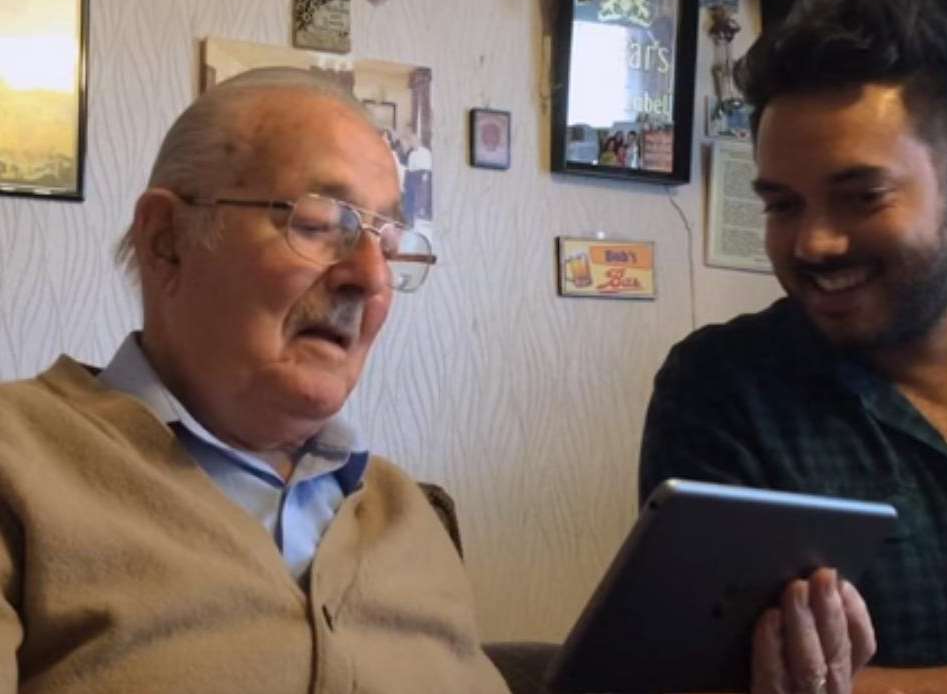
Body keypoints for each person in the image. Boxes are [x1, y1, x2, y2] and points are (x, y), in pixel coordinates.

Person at [0, 67, 868, 694]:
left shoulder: (403, 511)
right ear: (165, 241)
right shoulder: (24, 460)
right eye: (324, 222)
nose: (371, 280)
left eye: (390, 241)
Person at [640, 0, 947, 692]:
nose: (814, 243)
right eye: (782, 205)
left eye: (861, 197)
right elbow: (693, 677)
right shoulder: (722, 391)